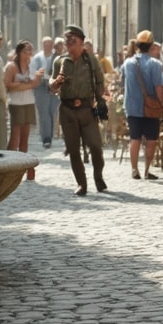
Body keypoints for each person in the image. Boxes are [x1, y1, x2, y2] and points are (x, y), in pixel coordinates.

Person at [49, 25, 109, 196]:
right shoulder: (59, 61)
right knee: (73, 149)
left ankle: (98, 176)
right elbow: (52, 86)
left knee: (96, 147)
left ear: (81, 42)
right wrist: (55, 83)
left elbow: (99, 81)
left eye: (72, 40)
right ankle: (81, 183)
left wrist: (100, 100)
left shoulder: (90, 60)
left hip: (87, 110)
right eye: (67, 39)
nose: (68, 43)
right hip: (67, 110)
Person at [122, 29, 163, 180]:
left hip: (132, 107)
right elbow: (159, 88)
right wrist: (162, 104)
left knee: (135, 138)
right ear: (151, 45)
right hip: (151, 108)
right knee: (151, 139)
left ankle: (134, 170)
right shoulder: (155, 64)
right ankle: (147, 170)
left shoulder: (127, 63)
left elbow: (124, 82)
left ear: (137, 45)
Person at [4, 40, 44, 165]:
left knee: (26, 136)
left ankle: (22, 163)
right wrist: (26, 85)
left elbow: (34, 84)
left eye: (30, 50)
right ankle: (9, 163)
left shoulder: (31, 66)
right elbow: (7, 84)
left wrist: (36, 79)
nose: (29, 53)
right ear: (20, 52)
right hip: (16, 103)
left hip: (29, 102)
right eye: (26, 50)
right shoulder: (11, 66)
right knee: (15, 135)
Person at [29, 37, 57, 148]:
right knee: (44, 113)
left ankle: (49, 135)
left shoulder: (56, 57)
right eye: (45, 44)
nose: (47, 46)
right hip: (41, 88)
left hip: (54, 88)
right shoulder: (37, 58)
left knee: (52, 112)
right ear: (42, 45)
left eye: (49, 44)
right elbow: (33, 72)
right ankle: (46, 138)